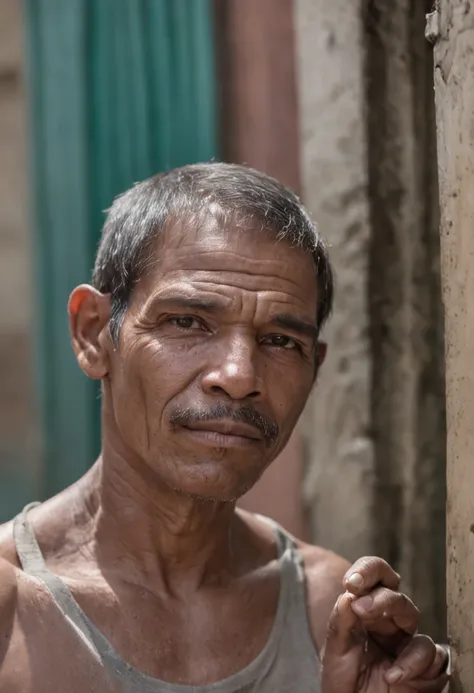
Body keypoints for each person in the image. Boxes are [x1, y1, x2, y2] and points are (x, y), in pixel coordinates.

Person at [0, 164, 448, 692]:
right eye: (187, 322)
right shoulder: (12, 612)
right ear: (95, 334)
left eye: (282, 341)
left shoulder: (329, 612)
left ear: (315, 369)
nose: (239, 377)